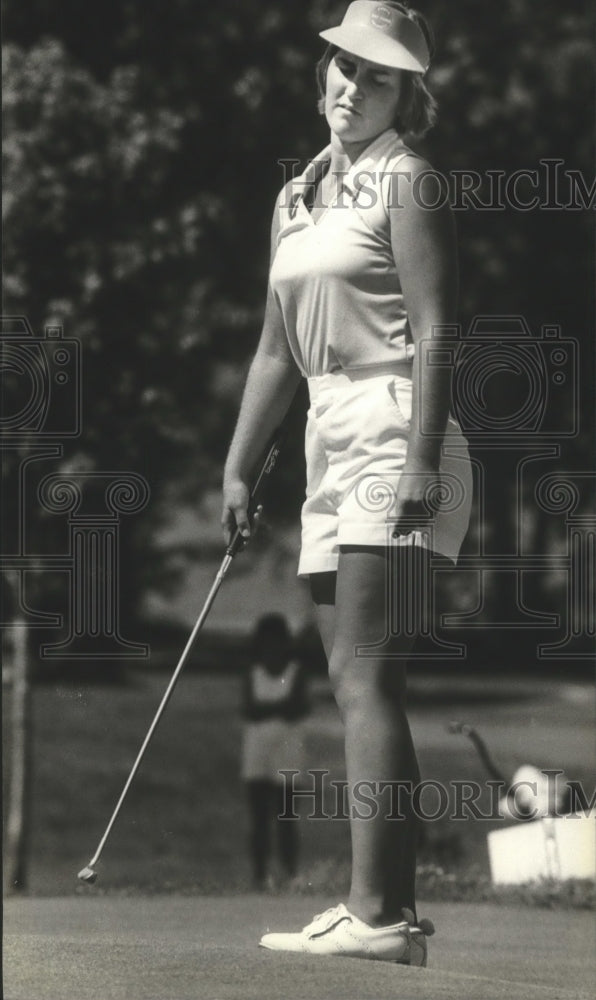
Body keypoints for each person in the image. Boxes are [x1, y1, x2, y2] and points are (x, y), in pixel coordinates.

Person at [222, 0, 473, 966]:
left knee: (368, 673)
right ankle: (386, 912)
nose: (348, 86)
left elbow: (439, 328)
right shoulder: (298, 196)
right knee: (350, 675)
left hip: (398, 432)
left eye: (374, 75)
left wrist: (418, 457)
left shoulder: (408, 183)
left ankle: (378, 913)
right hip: (332, 437)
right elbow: (275, 349)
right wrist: (240, 463)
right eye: (339, 66)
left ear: (407, 94)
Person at [240, 614, 310, 889]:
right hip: (257, 750)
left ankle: (290, 872)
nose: (272, 650)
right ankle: (259, 875)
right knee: (259, 818)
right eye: (266, 644)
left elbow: (297, 708)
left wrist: (268, 708)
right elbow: (249, 710)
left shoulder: (295, 671)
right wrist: (279, 707)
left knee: (286, 816)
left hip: (288, 751)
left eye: (277, 643)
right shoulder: (252, 673)